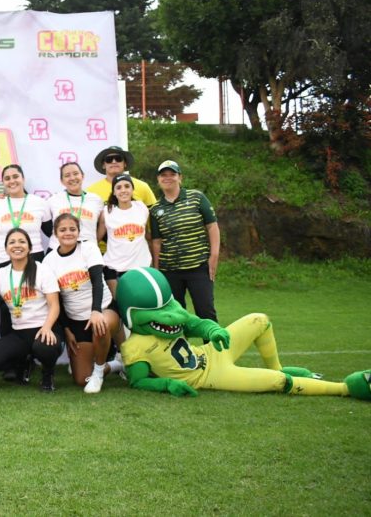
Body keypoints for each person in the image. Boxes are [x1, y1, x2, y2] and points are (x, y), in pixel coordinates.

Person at [116, 267, 371, 401]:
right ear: (132, 313)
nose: (171, 315)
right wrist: (167, 384)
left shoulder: (174, 315)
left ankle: (279, 366)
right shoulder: (135, 346)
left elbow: (194, 323)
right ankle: (344, 388)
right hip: (210, 376)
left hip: (209, 353)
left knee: (259, 320)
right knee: (277, 384)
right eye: (156, 310)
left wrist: (213, 329)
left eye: (168, 305)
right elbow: (138, 381)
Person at [44, 214, 122, 393]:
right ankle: (115, 365)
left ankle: (99, 372)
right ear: (55, 234)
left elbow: (97, 281)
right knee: (81, 379)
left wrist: (96, 311)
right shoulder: (49, 261)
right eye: (63, 230)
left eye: (72, 229)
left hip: (103, 309)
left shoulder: (88, 248)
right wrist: (66, 329)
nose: (68, 233)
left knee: (99, 324)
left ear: (78, 231)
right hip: (76, 319)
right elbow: (56, 299)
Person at [0, 228, 62, 392]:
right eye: (12, 242)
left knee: (43, 347)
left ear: (30, 248)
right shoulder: (1, 274)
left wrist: (47, 327)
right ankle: (23, 362)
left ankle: (47, 375)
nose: (17, 245)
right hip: (19, 334)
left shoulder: (42, 270)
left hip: (44, 329)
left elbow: (54, 305)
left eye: (22, 241)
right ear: (6, 248)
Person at [0, 164, 52, 342]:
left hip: (34, 258)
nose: (12, 181)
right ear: (3, 183)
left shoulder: (39, 203)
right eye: (7, 178)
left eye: (15, 176)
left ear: (23, 179)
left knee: (37, 305)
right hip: (4, 260)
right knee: (7, 308)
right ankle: (12, 359)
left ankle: (39, 347)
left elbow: (50, 232)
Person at [150, 160, 220, 322]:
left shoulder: (196, 197)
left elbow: (212, 226)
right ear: (158, 179)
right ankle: (183, 347)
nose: (168, 178)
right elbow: (156, 242)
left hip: (199, 267)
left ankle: (213, 347)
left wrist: (214, 255)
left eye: (172, 174)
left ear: (180, 177)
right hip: (170, 271)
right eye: (163, 175)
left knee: (205, 311)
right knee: (176, 316)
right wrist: (157, 269)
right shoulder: (155, 209)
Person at [97, 173, 153, 298]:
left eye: (127, 186)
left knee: (141, 303)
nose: (123, 190)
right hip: (114, 268)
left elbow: (148, 234)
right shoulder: (107, 211)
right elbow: (97, 238)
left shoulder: (142, 207)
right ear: (114, 192)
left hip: (141, 266)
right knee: (120, 305)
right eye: (119, 187)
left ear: (132, 189)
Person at [47, 161, 103, 247]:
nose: (72, 178)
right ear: (62, 181)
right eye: (67, 175)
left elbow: (101, 224)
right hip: (58, 249)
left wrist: (92, 241)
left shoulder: (96, 200)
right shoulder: (53, 200)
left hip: (87, 251)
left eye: (75, 173)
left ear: (82, 176)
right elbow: (46, 225)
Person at [86, 146, 156, 207]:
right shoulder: (91, 192)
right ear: (103, 165)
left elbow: (155, 214)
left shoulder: (143, 187)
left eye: (118, 158)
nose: (114, 162)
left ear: (125, 163)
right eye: (109, 159)